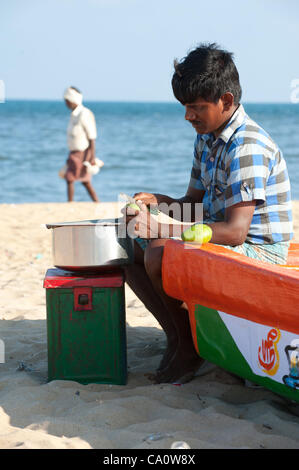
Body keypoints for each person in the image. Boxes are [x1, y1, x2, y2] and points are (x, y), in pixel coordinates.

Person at [124, 43, 293, 385]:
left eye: (197, 107)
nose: (188, 116)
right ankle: (178, 335)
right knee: (126, 238)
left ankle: (189, 348)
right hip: (224, 237)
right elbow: (194, 204)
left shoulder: (247, 146)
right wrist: (157, 202)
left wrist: (163, 229)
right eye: (186, 107)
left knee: (158, 251)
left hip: (259, 253)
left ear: (226, 102)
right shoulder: (207, 137)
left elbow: (234, 232)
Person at [63, 86, 99, 202]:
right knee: (79, 180)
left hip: (83, 153)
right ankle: (94, 202)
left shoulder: (84, 114)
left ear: (73, 100)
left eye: (67, 101)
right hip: (74, 153)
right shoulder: (74, 115)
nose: (66, 103)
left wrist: (92, 157)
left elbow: (92, 137)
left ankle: (71, 203)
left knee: (74, 179)